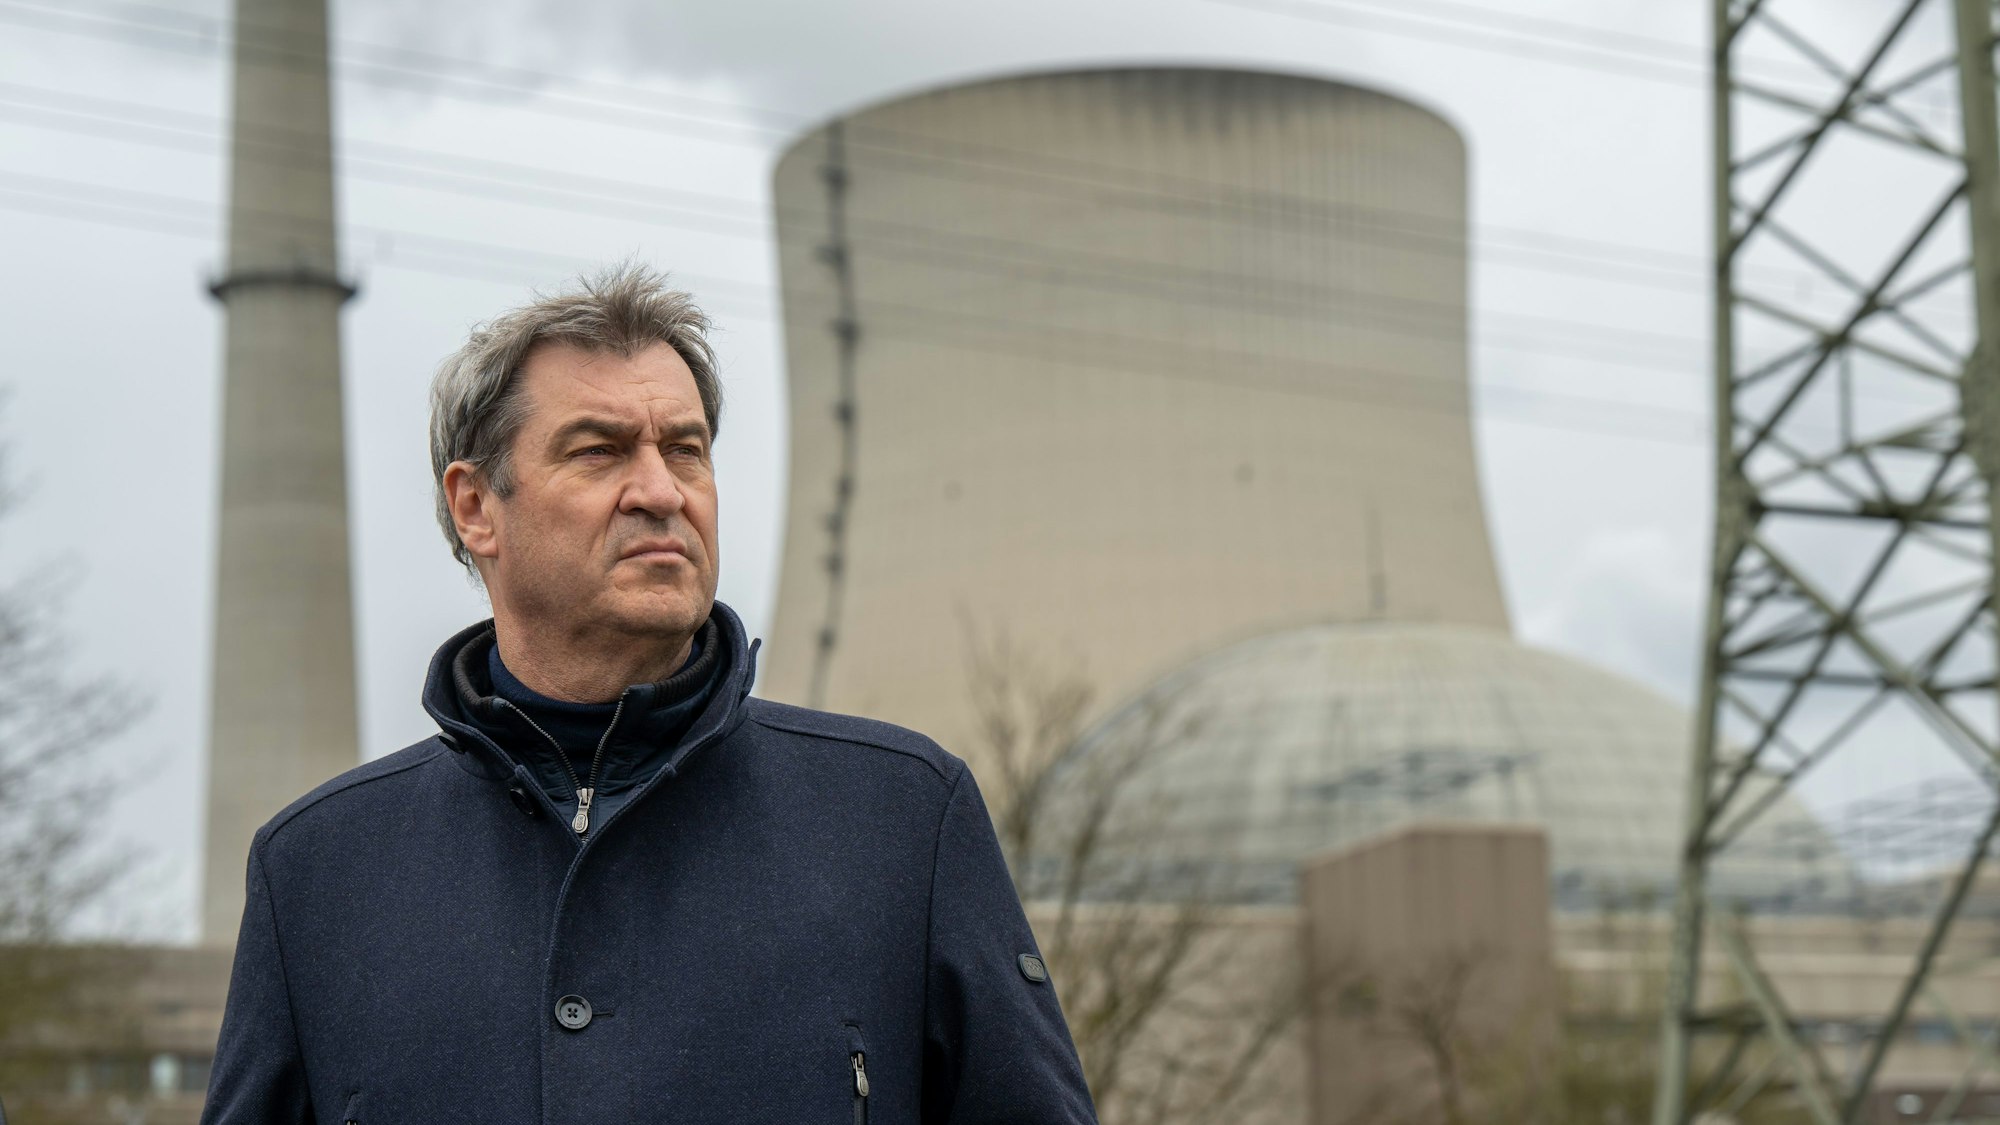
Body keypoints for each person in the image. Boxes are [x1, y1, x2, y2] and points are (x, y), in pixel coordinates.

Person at [200, 264, 1098, 1124]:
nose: (662, 491)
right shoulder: (318, 874)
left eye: (686, 449)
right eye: (599, 452)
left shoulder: (900, 818)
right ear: (477, 506)